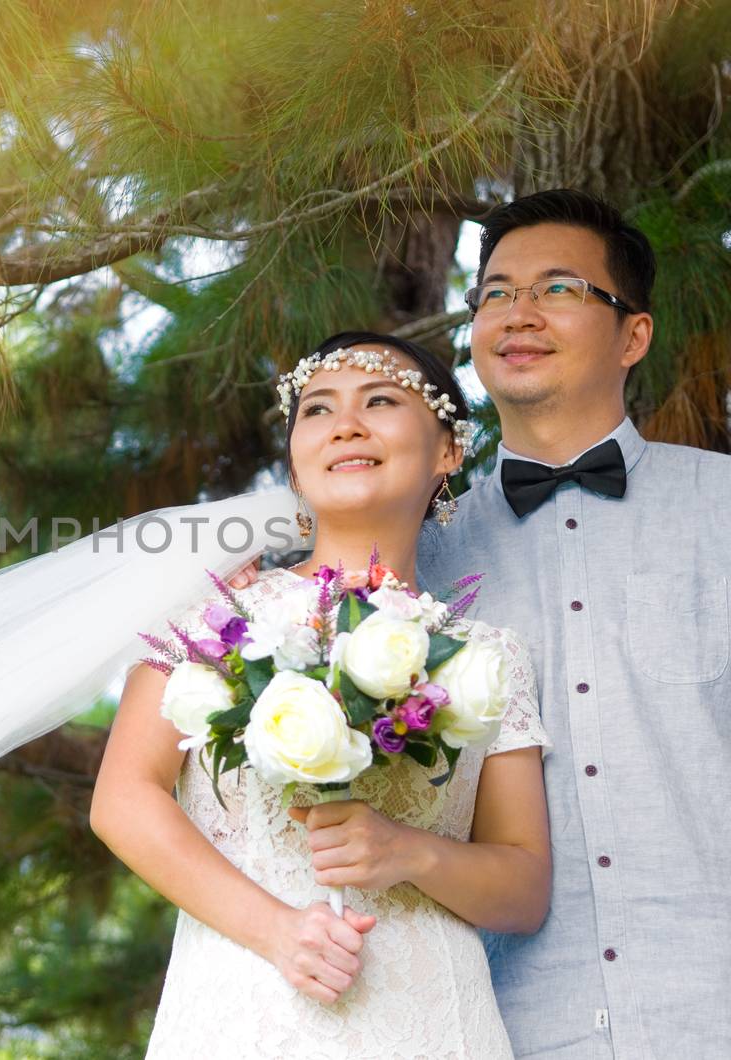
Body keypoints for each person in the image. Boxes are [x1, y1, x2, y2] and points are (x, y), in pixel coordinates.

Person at [238, 190, 731, 1057]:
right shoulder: (422, 555)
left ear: (633, 336)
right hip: (507, 1026)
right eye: (494, 293)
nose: (517, 313)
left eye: (559, 288)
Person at [91, 331, 553, 1057]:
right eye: (318, 410)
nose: (347, 424)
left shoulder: (487, 659)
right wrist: (276, 930)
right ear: (296, 463)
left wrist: (409, 853)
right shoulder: (215, 614)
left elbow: (524, 887)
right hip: (243, 1010)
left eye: (381, 400)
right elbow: (123, 800)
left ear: (448, 452)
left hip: (434, 1025)